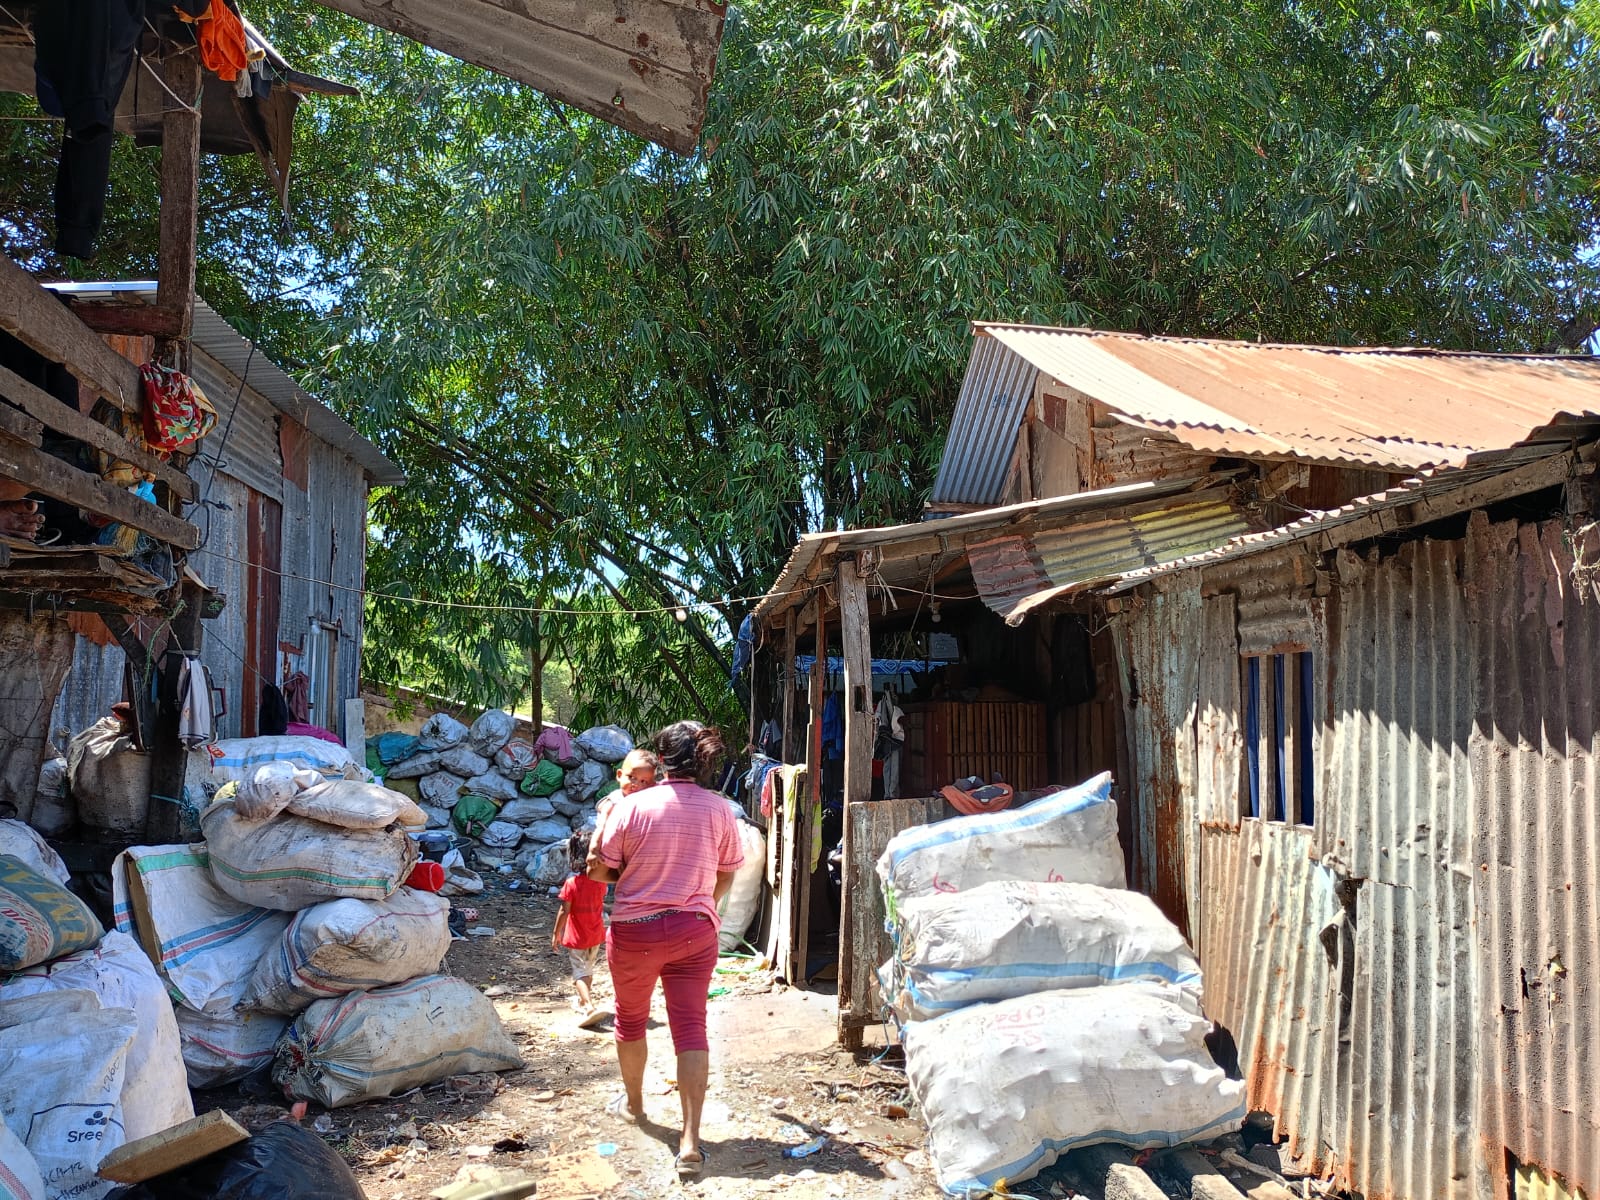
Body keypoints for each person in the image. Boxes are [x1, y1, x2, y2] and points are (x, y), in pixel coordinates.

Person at [588, 721, 744, 1179]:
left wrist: (633, 879)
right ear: (703, 760)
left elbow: (599, 869)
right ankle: (691, 1142)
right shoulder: (720, 811)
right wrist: (698, 904)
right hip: (695, 932)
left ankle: (635, 1107)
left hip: (635, 932)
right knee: (691, 1028)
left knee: (631, 1018)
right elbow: (728, 873)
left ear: (662, 760)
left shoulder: (631, 806)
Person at [551, 831, 608, 1025]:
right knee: (587, 969)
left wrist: (556, 932)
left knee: (578, 973)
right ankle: (585, 1003)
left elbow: (564, 911)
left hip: (577, 937)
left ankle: (589, 1005)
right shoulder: (601, 882)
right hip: (596, 934)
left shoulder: (571, 884)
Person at [596, 747, 660, 829]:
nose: (635, 784)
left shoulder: (648, 802)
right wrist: (596, 841)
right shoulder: (615, 800)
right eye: (631, 777)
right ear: (619, 775)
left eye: (643, 781)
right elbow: (602, 827)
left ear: (651, 785)